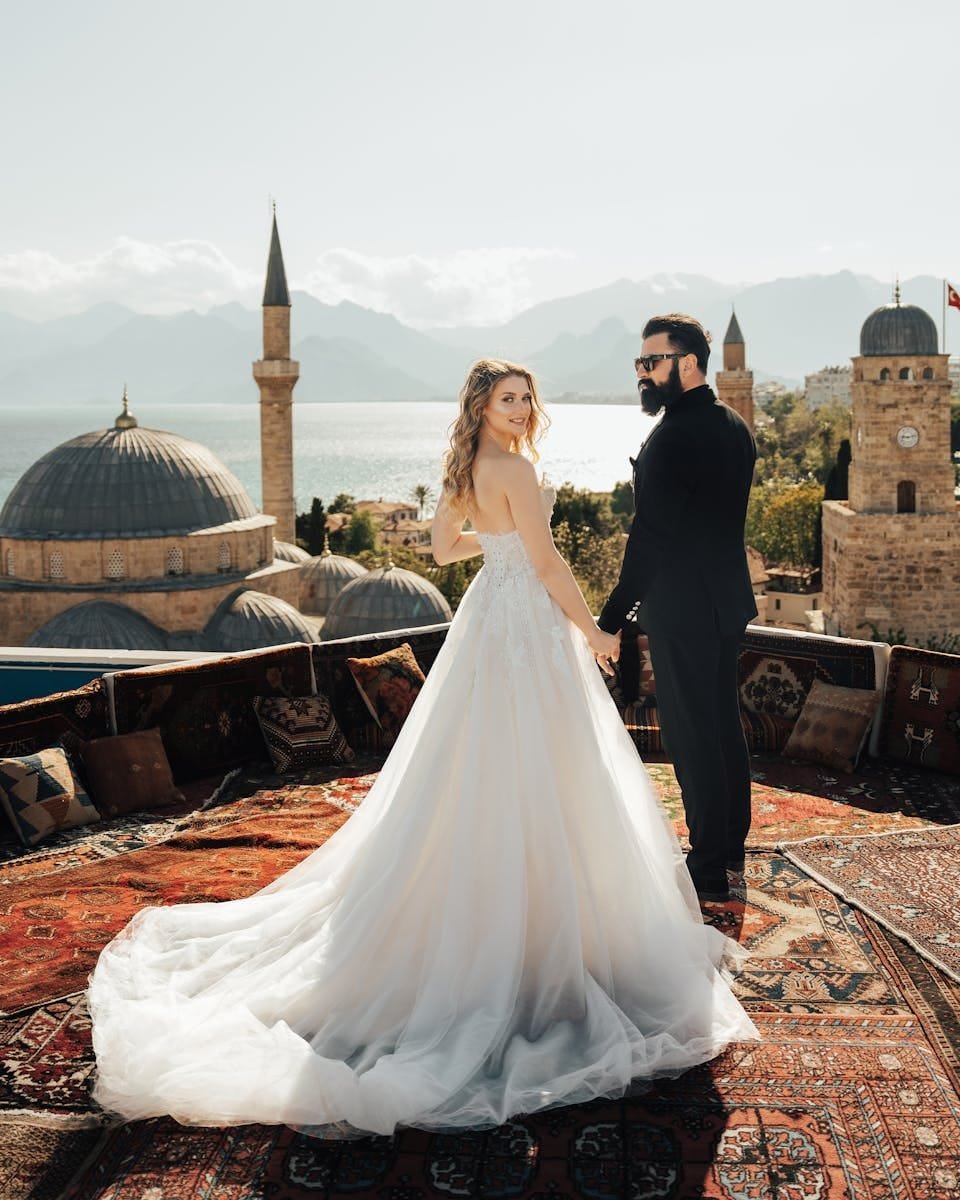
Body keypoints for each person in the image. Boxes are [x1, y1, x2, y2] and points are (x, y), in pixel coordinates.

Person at [88, 358, 758, 1138]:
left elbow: (444, 550)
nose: (521, 408)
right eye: (509, 398)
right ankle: (542, 939)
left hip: (484, 621)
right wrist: (597, 630)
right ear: (484, 404)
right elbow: (546, 563)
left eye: (525, 398)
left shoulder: (468, 466)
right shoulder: (522, 468)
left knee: (475, 769)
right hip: (526, 625)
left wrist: (497, 543)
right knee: (548, 769)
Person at [598, 316, 757, 903]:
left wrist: (609, 618)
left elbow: (649, 541)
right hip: (725, 602)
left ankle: (711, 866)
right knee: (722, 730)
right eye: (638, 363)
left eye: (650, 362)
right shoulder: (734, 426)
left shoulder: (670, 438)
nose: (641, 373)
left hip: (684, 608)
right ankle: (727, 855)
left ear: (686, 362)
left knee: (691, 738)